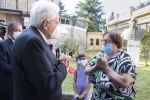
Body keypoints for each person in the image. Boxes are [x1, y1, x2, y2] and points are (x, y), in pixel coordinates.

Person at [11, 1, 71, 100]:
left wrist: (58, 63)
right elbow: (48, 88)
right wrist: (63, 67)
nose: (58, 26)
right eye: (56, 22)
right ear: (46, 24)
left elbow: (39, 70)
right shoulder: (33, 41)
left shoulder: (29, 36)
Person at [85, 31, 137, 100]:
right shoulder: (100, 55)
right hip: (97, 96)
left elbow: (125, 82)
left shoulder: (125, 58)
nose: (104, 43)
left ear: (116, 43)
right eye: (103, 40)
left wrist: (106, 68)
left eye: (107, 40)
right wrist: (96, 66)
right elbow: (86, 71)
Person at [0, 22, 22, 100]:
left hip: (19, 85)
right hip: (8, 85)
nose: (19, 33)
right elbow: (2, 65)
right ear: (10, 31)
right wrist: (19, 70)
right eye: (17, 30)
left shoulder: (21, 44)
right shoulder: (3, 45)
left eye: (21, 31)